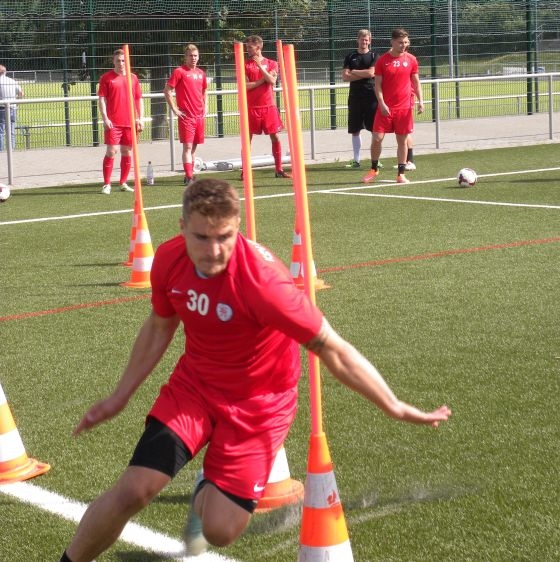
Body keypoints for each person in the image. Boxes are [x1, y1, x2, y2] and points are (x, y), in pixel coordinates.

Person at [59, 178, 451, 562]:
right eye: (202, 237)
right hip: (195, 388)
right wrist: (119, 397)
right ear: (182, 228)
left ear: (238, 229)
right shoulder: (168, 259)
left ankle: (208, 487)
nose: (214, 251)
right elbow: (160, 326)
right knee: (134, 489)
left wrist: (394, 405)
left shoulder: (265, 284)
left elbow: (334, 349)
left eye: (224, 237)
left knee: (220, 530)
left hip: (259, 405)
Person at [362, 28, 423, 185]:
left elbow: (416, 82)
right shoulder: (382, 60)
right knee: (377, 138)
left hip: (404, 108)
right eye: (400, 42)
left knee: (402, 141)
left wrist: (421, 101)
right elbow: (377, 85)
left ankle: (401, 174)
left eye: (406, 42)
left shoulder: (411, 60)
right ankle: (374, 169)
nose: (404, 45)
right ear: (392, 42)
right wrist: (382, 103)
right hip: (385, 108)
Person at [243, 35, 291, 179]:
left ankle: (279, 169)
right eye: (246, 47)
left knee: (275, 136)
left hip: (268, 106)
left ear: (258, 47)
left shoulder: (272, 63)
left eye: (250, 47)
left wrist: (259, 67)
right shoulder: (245, 64)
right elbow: (245, 86)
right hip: (251, 107)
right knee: (247, 139)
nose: (247, 49)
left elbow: (272, 80)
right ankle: (245, 171)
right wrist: (262, 81)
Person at [97, 49, 143, 195]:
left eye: (124, 61)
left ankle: (123, 182)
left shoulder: (133, 78)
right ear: (113, 61)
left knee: (127, 151)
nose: (121, 63)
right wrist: (105, 118)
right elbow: (102, 99)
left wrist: (140, 118)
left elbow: (138, 99)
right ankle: (107, 184)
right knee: (112, 151)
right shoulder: (106, 78)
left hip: (130, 122)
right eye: (118, 60)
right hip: (114, 123)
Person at [164, 44, 208, 186]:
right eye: (190, 56)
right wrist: (175, 109)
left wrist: (205, 106)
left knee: (194, 147)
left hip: (199, 116)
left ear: (198, 57)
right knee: (187, 147)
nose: (193, 58)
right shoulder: (179, 72)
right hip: (186, 117)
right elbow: (167, 90)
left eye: (195, 56)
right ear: (186, 57)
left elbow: (204, 90)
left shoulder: (201, 73)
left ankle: (189, 174)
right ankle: (189, 177)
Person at [341, 29, 379, 169]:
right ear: (357, 40)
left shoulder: (374, 56)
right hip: (355, 97)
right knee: (355, 129)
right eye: (362, 39)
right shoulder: (350, 56)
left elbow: (371, 73)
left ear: (370, 41)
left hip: (371, 97)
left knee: (375, 129)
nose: (364, 42)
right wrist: (364, 74)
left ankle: (375, 160)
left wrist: (354, 72)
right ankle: (356, 160)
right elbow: (345, 77)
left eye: (366, 39)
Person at [0, 65, 24, 152]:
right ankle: (12, 149)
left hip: (2, 108)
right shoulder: (12, 81)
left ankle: (1, 151)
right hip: (13, 108)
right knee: (11, 131)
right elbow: (21, 93)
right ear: (5, 72)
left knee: (1, 131)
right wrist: (17, 103)